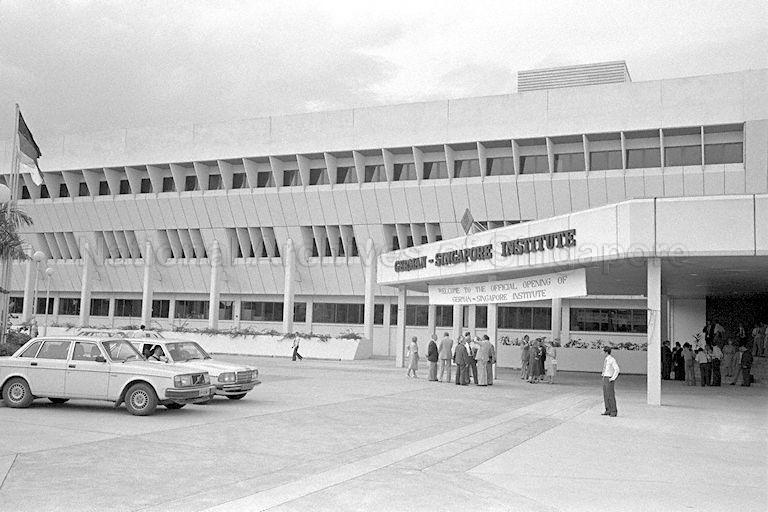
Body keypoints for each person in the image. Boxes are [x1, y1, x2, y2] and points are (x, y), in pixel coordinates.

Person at [601, 346, 620, 417]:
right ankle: (608, 409)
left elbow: (617, 369)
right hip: (605, 377)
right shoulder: (606, 359)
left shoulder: (612, 360)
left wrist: (613, 378)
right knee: (606, 395)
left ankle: (613, 411)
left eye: (603, 351)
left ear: (606, 352)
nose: (602, 352)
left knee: (610, 395)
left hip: (609, 378)